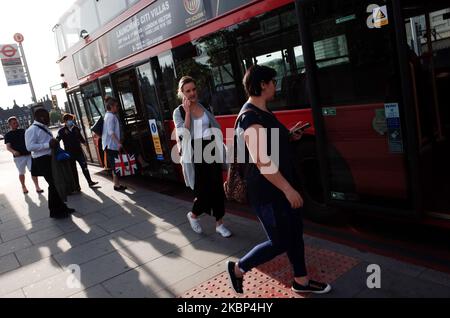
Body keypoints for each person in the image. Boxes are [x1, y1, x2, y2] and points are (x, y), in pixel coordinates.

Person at [226, 65, 331, 294]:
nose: (276, 85)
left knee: (294, 232)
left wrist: (289, 135)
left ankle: (301, 281)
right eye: (273, 81)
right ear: (263, 85)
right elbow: (262, 162)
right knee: (280, 241)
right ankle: (238, 268)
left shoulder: (264, 111)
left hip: (281, 184)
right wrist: (288, 190)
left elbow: (272, 143)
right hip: (267, 191)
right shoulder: (249, 117)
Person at [173, 76, 232, 238]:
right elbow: (183, 134)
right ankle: (193, 216)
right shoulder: (178, 112)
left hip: (211, 148)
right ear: (182, 93)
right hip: (195, 153)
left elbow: (214, 126)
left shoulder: (204, 106)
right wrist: (187, 113)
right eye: (188, 91)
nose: (192, 93)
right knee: (204, 192)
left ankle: (219, 224)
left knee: (218, 189)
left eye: (193, 89)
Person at [25, 108, 75, 219]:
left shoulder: (43, 127)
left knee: (57, 182)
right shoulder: (31, 130)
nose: (48, 118)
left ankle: (61, 207)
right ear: (40, 117)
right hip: (41, 160)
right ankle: (54, 211)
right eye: (47, 116)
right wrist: (47, 145)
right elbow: (29, 147)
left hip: (51, 158)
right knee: (53, 184)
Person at [57, 113, 98, 191]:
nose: (71, 121)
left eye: (72, 120)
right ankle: (77, 186)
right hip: (69, 154)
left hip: (79, 152)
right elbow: (57, 140)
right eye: (69, 120)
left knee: (84, 167)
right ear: (65, 121)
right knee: (73, 170)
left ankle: (90, 182)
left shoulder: (76, 129)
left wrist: (86, 146)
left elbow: (81, 139)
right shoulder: (61, 131)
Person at [4, 116, 43, 194]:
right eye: (14, 123)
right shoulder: (7, 135)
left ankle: (37, 187)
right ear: (10, 125)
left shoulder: (23, 131)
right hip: (18, 157)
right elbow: (8, 147)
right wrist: (14, 152)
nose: (16, 124)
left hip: (28, 155)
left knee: (33, 171)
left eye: (17, 122)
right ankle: (23, 186)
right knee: (21, 173)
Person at [102, 96, 127, 191]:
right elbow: (111, 132)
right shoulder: (111, 117)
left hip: (110, 146)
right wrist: (118, 143)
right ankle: (116, 185)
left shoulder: (108, 116)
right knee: (115, 166)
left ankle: (117, 185)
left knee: (115, 166)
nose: (117, 107)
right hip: (111, 146)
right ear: (111, 106)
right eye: (116, 106)